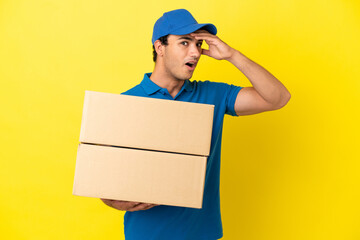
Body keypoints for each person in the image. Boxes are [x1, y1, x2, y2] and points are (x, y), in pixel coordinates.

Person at [101, 8, 291, 240]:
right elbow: (104, 178)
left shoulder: (213, 95)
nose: (195, 52)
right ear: (160, 48)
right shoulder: (126, 103)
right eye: (184, 43)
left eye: (198, 44)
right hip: (147, 234)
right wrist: (112, 200)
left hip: (203, 234)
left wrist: (232, 55)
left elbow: (278, 98)